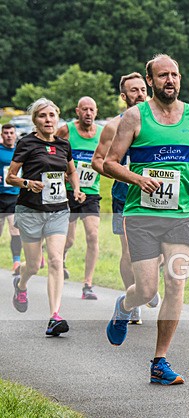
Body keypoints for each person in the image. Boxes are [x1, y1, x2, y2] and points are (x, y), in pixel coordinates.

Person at [103, 54, 189, 385]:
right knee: (147, 289)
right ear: (150, 81)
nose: (170, 80)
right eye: (163, 75)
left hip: (181, 213)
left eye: (174, 74)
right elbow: (110, 162)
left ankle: (160, 361)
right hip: (142, 214)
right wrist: (138, 179)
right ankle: (125, 306)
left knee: (176, 283)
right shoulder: (135, 116)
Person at [6, 98, 86, 335]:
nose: (48, 120)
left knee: (55, 260)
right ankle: (21, 284)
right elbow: (11, 177)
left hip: (58, 210)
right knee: (33, 265)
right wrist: (27, 183)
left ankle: (54, 316)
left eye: (52, 115)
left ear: (57, 118)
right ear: (35, 120)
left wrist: (77, 189)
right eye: (42, 116)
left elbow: (72, 171)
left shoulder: (63, 145)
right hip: (30, 211)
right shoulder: (26, 143)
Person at [92, 72, 159, 325]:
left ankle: (147, 284)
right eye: (134, 90)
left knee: (163, 249)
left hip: (157, 196)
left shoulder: (159, 122)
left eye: (142, 89)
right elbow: (98, 161)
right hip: (125, 197)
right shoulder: (114, 126)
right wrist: (123, 174)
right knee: (129, 252)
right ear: (124, 96)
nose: (140, 94)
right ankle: (135, 300)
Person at [56, 97, 103, 299]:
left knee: (93, 235)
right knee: (68, 240)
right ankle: (61, 257)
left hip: (91, 192)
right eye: (84, 109)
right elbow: (53, 153)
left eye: (91, 109)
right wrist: (63, 173)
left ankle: (87, 285)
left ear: (96, 111)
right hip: (68, 191)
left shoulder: (102, 133)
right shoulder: (66, 131)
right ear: (78, 111)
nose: (88, 113)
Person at [0, 124, 22, 273]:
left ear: (15, 135)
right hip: (0, 195)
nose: (9, 135)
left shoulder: (20, 152)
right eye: (6, 133)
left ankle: (16, 262)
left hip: (15, 196)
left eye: (11, 133)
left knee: (15, 230)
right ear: (2, 135)